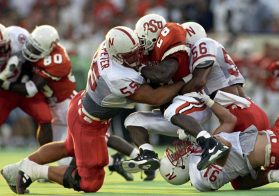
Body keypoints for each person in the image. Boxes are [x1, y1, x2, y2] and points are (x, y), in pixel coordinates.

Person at [1, 26, 186, 194]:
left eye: (135, 51)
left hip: (82, 106)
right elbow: (156, 98)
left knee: (68, 147)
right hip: (88, 122)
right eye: (129, 56)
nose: (136, 57)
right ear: (117, 55)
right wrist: (184, 80)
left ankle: (17, 167)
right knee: (90, 182)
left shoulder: (109, 47)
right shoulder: (116, 77)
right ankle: (33, 171)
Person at [123, 14, 229, 173]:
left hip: (194, 102)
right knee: (133, 120)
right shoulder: (149, 55)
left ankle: (212, 145)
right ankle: (147, 154)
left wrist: (139, 69)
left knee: (173, 110)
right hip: (176, 111)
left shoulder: (171, 35)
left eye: (143, 40)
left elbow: (164, 74)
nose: (141, 45)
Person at [159, 89, 279, 191]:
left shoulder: (201, 155)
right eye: (175, 158)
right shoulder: (199, 179)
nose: (177, 153)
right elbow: (223, 147)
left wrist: (207, 101)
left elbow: (229, 120)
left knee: (239, 184)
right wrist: (199, 137)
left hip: (276, 142)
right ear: (179, 169)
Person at [0, 24, 53, 147]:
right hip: (4, 93)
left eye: (3, 47)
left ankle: (45, 157)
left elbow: (38, 60)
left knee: (45, 118)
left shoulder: (19, 36)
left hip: (25, 87)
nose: (2, 52)